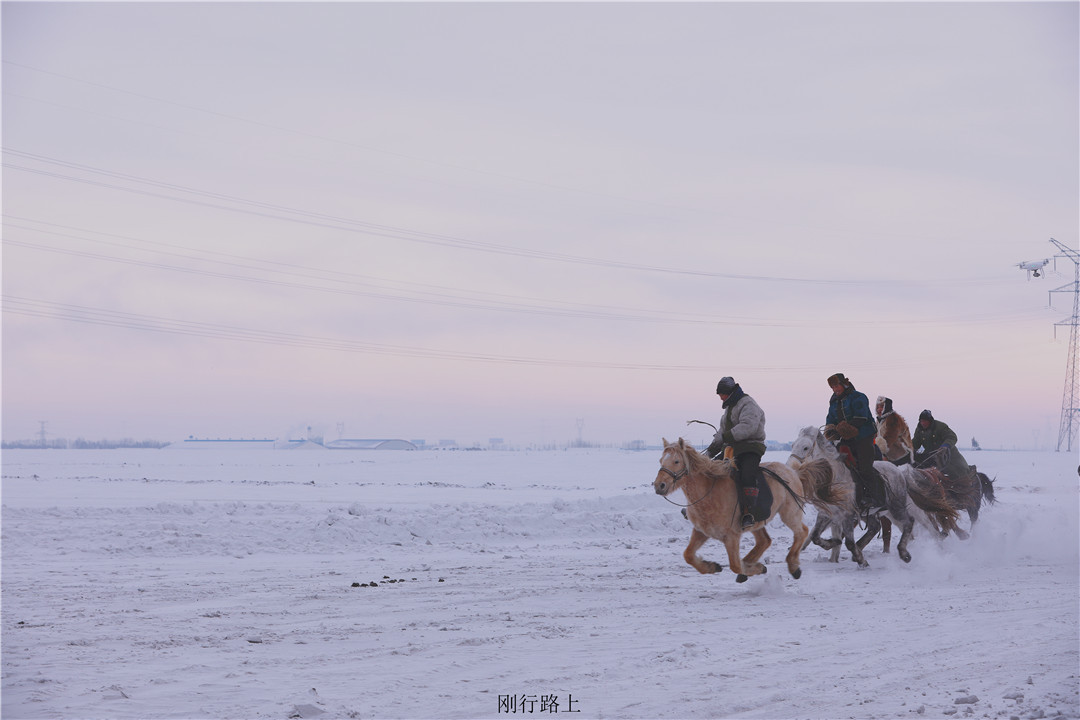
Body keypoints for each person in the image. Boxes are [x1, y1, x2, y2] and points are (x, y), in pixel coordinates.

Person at [704, 376, 772, 529]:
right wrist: (710, 451)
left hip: (751, 447)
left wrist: (725, 437)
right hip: (732, 449)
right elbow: (722, 432)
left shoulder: (748, 404)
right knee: (711, 469)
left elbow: (748, 427)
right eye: (719, 395)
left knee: (747, 475)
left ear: (730, 392)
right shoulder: (729, 408)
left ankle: (749, 513)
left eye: (722, 394)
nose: (720, 397)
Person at [824, 373, 888, 512]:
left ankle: (877, 499)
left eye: (836, 385)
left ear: (844, 384)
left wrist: (845, 428)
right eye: (832, 387)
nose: (835, 389)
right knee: (843, 467)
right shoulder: (834, 401)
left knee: (865, 469)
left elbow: (861, 417)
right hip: (846, 439)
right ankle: (849, 497)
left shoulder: (858, 397)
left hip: (863, 437)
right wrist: (830, 430)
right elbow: (830, 419)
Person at [913, 409, 970, 479]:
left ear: (930, 421)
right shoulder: (919, 430)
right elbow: (915, 442)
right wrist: (907, 447)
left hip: (948, 454)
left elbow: (951, 436)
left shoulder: (940, 426)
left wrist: (945, 446)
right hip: (930, 456)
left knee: (961, 471)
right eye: (921, 421)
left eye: (925, 421)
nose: (923, 423)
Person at [875, 396, 914, 465]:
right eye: (877, 407)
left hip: (901, 455)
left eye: (881, 407)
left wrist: (879, 450)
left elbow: (890, 436)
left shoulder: (893, 418)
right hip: (889, 456)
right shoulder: (879, 421)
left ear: (886, 407)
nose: (879, 409)